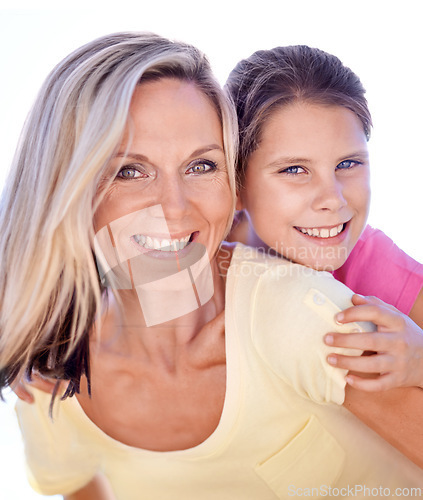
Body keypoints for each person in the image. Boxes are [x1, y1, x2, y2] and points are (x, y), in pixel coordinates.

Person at [1, 33, 422, 499]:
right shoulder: (46, 378)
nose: (175, 207)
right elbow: (79, 483)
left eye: (200, 166)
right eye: (129, 170)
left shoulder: (312, 310)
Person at [225, 44, 423, 392]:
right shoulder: (200, 256)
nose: (333, 198)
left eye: (348, 164)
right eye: (295, 169)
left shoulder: (369, 259)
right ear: (235, 182)